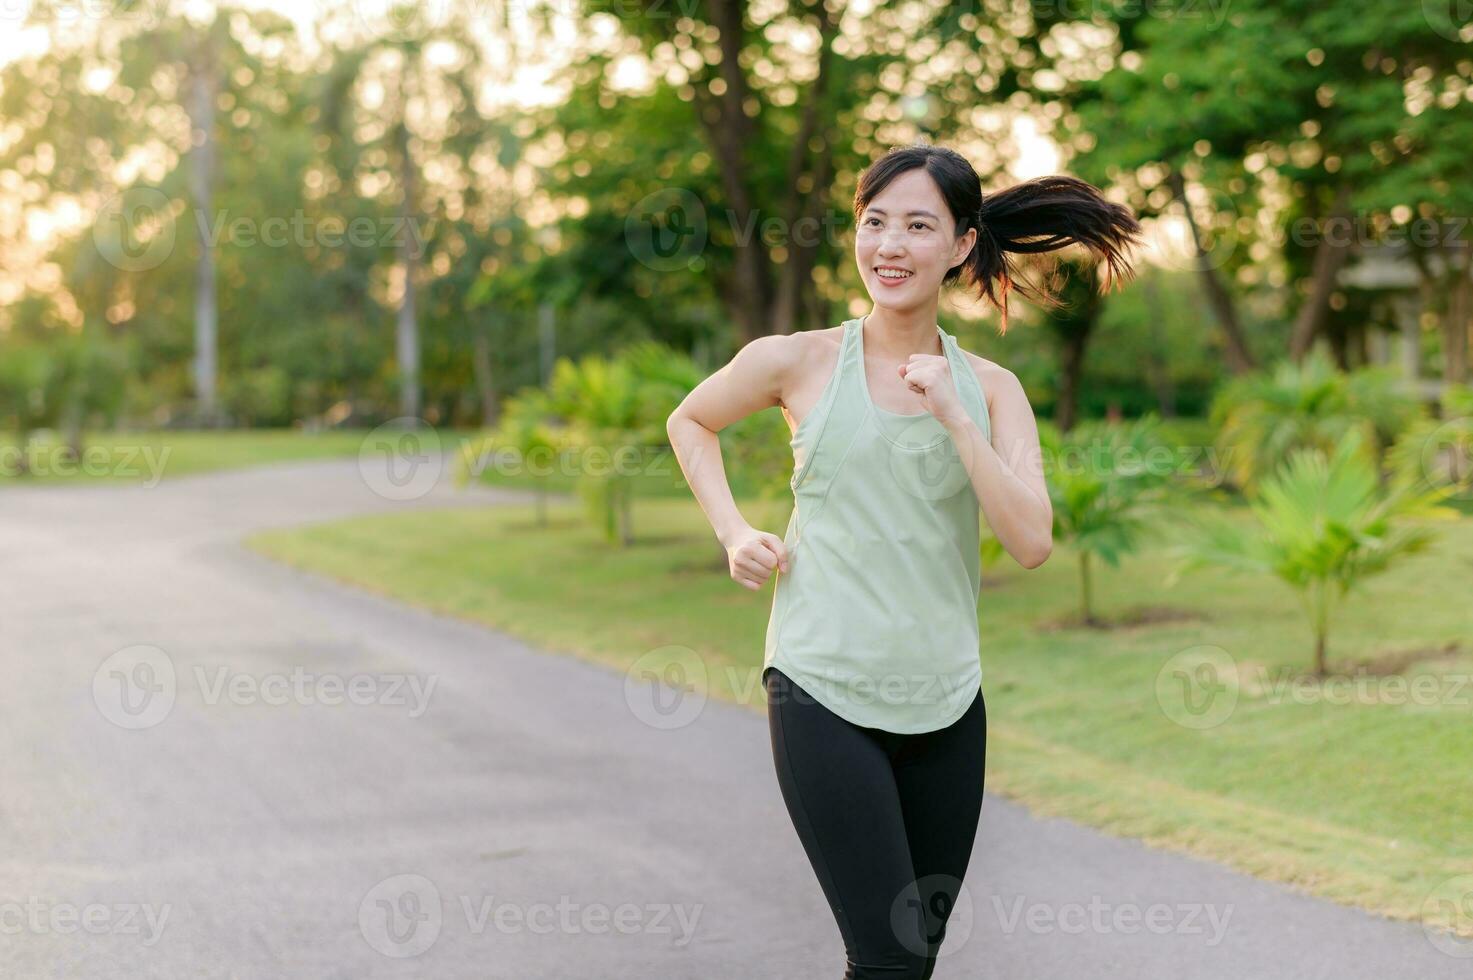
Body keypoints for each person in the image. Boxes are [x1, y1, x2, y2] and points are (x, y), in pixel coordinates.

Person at [665, 143, 1142, 978]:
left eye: (918, 225)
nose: (889, 245)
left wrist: (956, 418)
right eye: (874, 222)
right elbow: (690, 421)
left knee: (913, 958)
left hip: (947, 701)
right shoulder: (800, 359)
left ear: (960, 243)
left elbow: (1031, 541)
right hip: (822, 687)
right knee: (885, 957)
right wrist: (734, 531)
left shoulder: (990, 389)